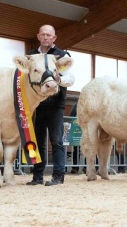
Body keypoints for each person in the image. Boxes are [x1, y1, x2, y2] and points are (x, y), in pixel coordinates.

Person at [25, 25, 74, 186]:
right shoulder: (31, 56)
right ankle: (37, 176)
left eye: (49, 35)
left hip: (55, 105)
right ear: (38, 36)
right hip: (36, 106)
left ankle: (58, 176)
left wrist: (59, 80)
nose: (46, 37)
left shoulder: (62, 55)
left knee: (57, 140)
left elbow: (71, 78)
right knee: (37, 141)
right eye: (43, 34)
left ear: (54, 38)